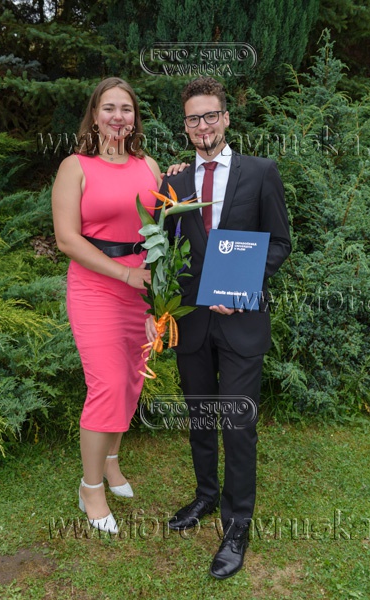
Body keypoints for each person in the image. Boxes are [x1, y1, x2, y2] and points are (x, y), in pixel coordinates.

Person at [146, 77, 291, 578]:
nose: (203, 125)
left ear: (226, 118)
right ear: (185, 126)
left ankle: (237, 526)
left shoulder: (261, 172)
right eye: (194, 118)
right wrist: (156, 308)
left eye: (211, 115)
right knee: (201, 417)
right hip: (190, 322)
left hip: (241, 321)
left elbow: (279, 243)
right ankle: (206, 495)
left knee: (238, 424)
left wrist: (241, 287)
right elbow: (161, 250)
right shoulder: (175, 183)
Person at [52, 77, 163, 534]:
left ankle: (112, 461)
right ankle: (90, 488)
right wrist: (124, 274)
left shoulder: (149, 165)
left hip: (142, 289)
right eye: (109, 108)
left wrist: (156, 296)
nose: (119, 117)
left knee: (131, 382)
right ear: (94, 116)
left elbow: (165, 226)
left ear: (135, 118)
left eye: (127, 109)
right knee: (108, 384)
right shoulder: (75, 167)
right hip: (97, 288)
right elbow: (66, 239)